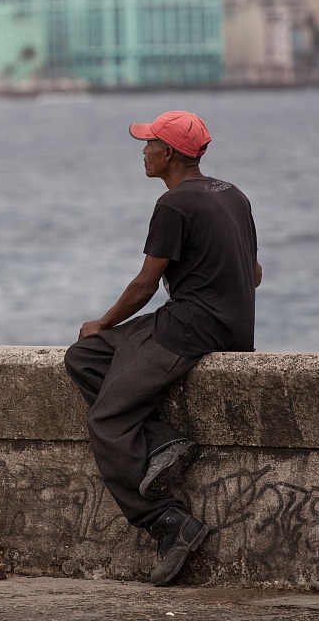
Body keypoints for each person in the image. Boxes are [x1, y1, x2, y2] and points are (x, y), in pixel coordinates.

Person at [64, 110, 262, 587]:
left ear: (169, 153)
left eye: (149, 143)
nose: (144, 150)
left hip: (188, 330)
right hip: (233, 328)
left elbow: (146, 284)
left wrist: (102, 322)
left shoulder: (173, 206)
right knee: (84, 359)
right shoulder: (232, 194)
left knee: (107, 420)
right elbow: (254, 274)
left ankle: (167, 521)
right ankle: (160, 442)